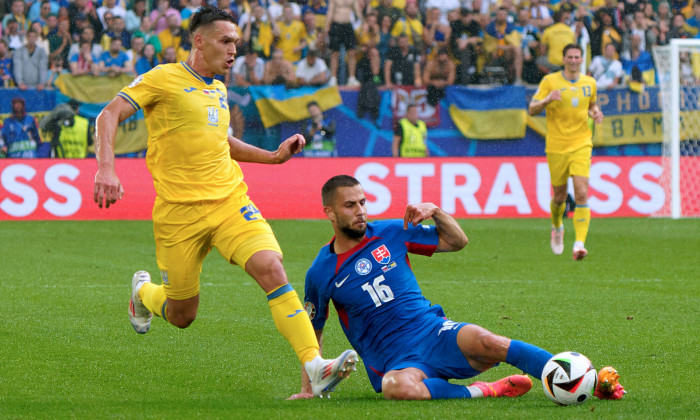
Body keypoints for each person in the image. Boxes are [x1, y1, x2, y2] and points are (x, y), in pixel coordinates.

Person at [92, 5, 357, 399]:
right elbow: (108, 115)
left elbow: (221, 143)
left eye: (237, 41)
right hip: (178, 215)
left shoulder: (218, 88)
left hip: (230, 201)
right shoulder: (163, 79)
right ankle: (143, 293)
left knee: (271, 266)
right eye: (226, 41)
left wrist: (272, 157)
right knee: (182, 315)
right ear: (199, 41)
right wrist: (106, 169)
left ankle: (314, 366)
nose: (235, 49)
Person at [290, 174, 556, 400]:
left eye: (363, 202)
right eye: (350, 205)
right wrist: (308, 388)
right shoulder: (321, 271)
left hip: (434, 331)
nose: (360, 210)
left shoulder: (392, 231)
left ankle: (567, 372)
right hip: (396, 361)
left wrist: (436, 211)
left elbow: (457, 241)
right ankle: (484, 391)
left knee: (488, 341)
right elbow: (312, 332)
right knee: (396, 387)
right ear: (330, 212)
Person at [528, 44, 604, 261]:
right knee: (560, 196)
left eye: (576, 57)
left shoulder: (589, 83)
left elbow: (591, 105)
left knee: (581, 192)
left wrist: (596, 113)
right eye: (569, 57)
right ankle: (557, 225)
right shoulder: (550, 82)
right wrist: (547, 100)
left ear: (582, 59)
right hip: (557, 146)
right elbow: (532, 110)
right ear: (563, 59)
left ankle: (579, 244)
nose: (573, 60)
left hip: (581, 144)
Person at [324, 0, 363, 86]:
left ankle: (352, 78)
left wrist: (363, 23)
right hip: (336, 24)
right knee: (335, 53)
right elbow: (330, 11)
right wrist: (327, 26)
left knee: (352, 52)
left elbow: (357, 10)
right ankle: (333, 78)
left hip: (348, 25)